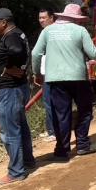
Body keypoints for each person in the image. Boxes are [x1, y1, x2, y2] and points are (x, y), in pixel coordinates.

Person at [32, 3, 96, 161]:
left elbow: (35, 53)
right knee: (85, 110)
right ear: (76, 18)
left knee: (62, 114)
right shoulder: (80, 30)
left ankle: (62, 151)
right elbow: (93, 53)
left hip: (55, 80)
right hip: (78, 79)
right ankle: (82, 145)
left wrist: (37, 73)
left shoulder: (48, 31)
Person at [0, 7, 35, 184]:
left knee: (10, 131)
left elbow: (16, 50)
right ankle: (28, 161)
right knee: (21, 127)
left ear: (4, 23)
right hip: (15, 89)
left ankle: (16, 172)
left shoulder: (11, 37)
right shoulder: (17, 34)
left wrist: (9, 68)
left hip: (9, 91)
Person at [36, 8, 56, 142]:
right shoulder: (44, 32)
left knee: (51, 103)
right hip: (46, 72)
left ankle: (53, 132)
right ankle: (50, 130)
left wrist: (35, 72)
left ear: (52, 18)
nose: (41, 20)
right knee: (48, 102)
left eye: (44, 17)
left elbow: (36, 54)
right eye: (40, 18)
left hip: (52, 73)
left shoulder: (52, 32)